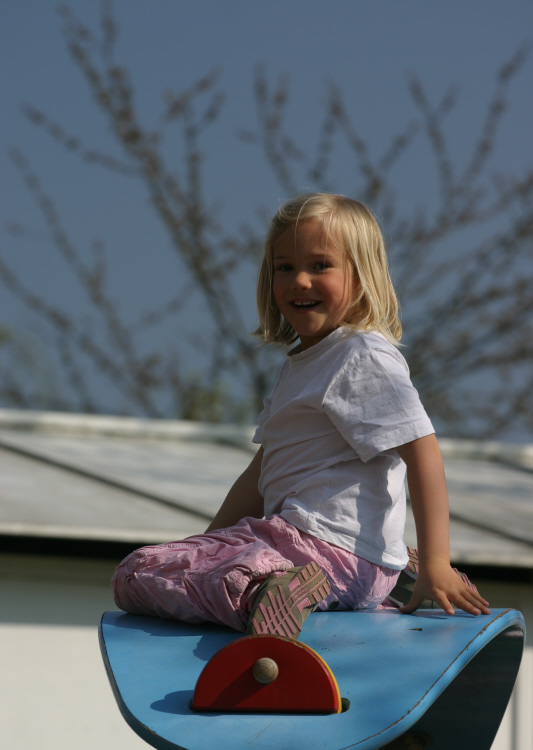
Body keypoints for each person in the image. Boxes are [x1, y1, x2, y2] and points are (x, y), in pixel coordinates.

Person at [112, 193, 490, 639]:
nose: (300, 281)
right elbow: (262, 474)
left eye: (320, 266)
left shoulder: (359, 354)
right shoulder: (303, 365)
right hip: (313, 546)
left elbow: (423, 451)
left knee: (141, 575)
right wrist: (204, 546)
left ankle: (275, 590)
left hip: (325, 550)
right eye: (285, 267)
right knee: (149, 569)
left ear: (362, 275)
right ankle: (291, 583)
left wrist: (436, 563)